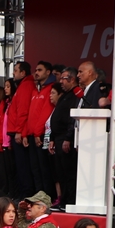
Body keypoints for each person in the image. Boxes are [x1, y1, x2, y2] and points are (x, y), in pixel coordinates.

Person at [24, 61, 57, 199]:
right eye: (36, 69)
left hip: (42, 134)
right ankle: (38, 197)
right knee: (35, 169)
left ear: (48, 72)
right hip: (33, 134)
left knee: (44, 169)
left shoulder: (50, 89)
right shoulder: (36, 89)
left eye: (40, 70)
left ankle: (47, 198)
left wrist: (37, 133)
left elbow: (45, 113)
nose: (36, 72)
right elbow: (30, 113)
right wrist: (26, 133)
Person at [48, 68, 79, 208]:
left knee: (68, 172)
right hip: (58, 137)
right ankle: (63, 200)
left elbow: (71, 119)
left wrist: (68, 137)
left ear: (72, 79)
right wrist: (52, 138)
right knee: (59, 172)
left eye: (64, 79)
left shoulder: (75, 95)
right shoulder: (65, 95)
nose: (61, 81)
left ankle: (69, 201)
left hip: (66, 138)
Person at [7, 61, 35, 197]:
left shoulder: (26, 86)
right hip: (17, 130)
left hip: (19, 131)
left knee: (23, 167)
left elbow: (23, 110)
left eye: (16, 70)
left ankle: (26, 195)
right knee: (19, 167)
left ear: (23, 72)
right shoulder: (23, 86)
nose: (13, 73)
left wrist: (19, 131)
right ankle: (24, 193)